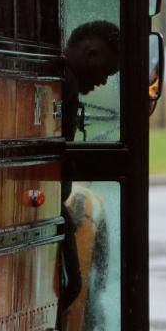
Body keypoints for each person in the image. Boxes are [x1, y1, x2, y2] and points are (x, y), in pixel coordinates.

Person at [59, 20, 120, 305]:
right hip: (53, 209)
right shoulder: (66, 84)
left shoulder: (62, 79)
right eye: (107, 72)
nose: (103, 81)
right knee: (72, 285)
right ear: (91, 53)